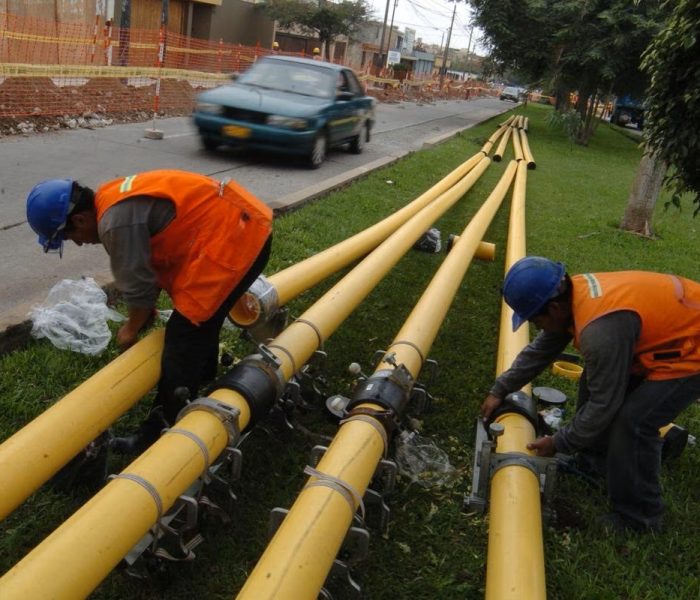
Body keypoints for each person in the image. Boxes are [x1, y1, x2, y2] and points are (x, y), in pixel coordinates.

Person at [26, 170, 273, 453]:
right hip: (243, 224)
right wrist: (142, 315)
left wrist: (131, 329)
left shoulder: (112, 224)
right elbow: (148, 265)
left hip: (236, 238)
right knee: (204, 320)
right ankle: (205, 376)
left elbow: (139, 289)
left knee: (183, 336)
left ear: (79, 219)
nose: (80, 243)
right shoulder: (111, 194)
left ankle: (159, 435)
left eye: (71, 237)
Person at [481, 256, 700, 533]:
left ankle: (640, 517)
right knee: (593, 379)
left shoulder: (600, 331)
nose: (536, 327)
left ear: (555, 308)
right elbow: (540, 351)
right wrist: (499, 389)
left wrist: (560, 442)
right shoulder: (572, 296)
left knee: (635, 422)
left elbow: (603, 405)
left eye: (535, 319)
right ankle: (595, 463)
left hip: (692, 350)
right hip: (668, 331)